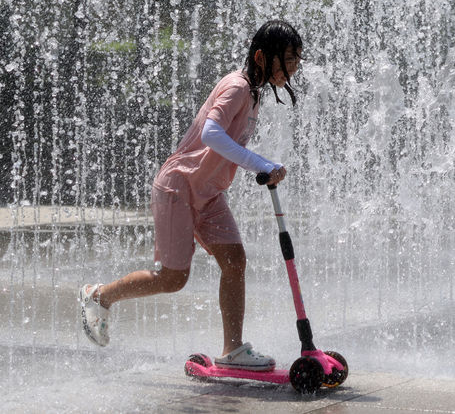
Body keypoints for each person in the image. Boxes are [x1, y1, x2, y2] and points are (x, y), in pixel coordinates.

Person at [79, 19, 303, 371]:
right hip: (179, 187)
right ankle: (99, 295)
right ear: (262, 56)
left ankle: (233, 350)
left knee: (234, 262)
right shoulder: (238, 87)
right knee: (172, 278)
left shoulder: (254, 94)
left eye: (296, 59)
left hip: (209, 194)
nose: (294, 67)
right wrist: (259, 163)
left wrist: (261, 164)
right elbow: (213, 134)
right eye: (288, 58)